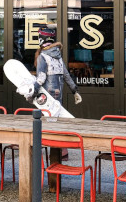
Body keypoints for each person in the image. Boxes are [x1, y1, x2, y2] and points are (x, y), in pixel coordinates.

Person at [31, 27, 82, 160]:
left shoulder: (43, 56)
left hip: (47, 96)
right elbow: (66, 75)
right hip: (58, 94)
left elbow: (41, 78)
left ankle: (49, 151)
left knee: (46, 124)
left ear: (41, 39)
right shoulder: (58, 56)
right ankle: (62, 151)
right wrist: (75, 91)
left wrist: (32, 91)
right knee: (57, 121)